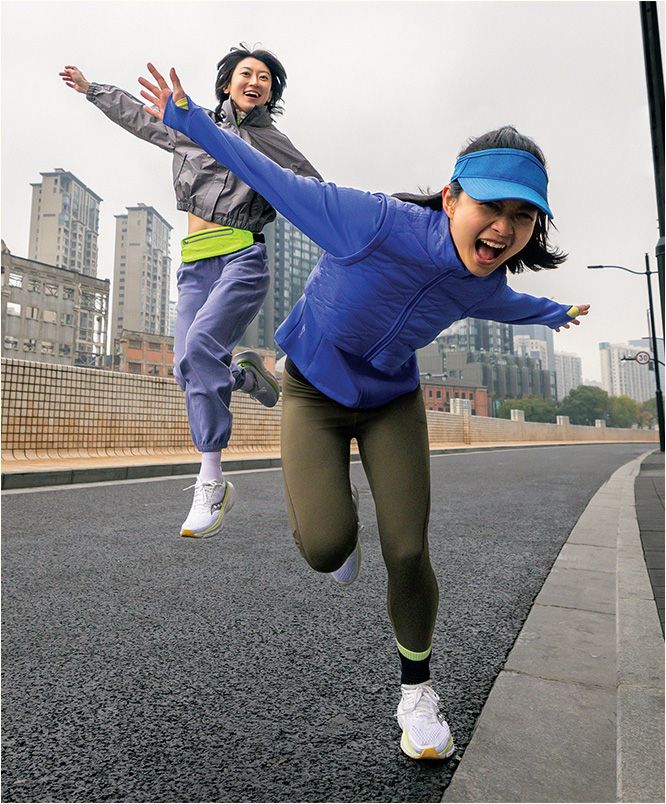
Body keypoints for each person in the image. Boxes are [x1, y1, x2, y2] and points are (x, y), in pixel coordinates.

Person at [142, 66, 589, 760]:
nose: (504, 229)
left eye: (523, 217)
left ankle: (417, 693)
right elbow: (275, 178)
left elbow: (507, 304)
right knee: (325, 548)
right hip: (314, 395)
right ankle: (335, 518)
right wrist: (194, 122)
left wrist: (553, 311)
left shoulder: (483, 280)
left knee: (408, 549)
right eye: (492, 208)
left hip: (391, 403)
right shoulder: (371, 221)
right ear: (451, 197)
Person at [60, 47, 322, 539]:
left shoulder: (274, 142)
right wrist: (93, 89)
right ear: (228, 83)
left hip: (242, 257)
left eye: (264, 78)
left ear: (271, 92)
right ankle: (246, 379)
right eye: (247, 73)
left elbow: (316, 190)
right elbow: (141, 119)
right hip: (195, 262)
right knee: (188, 362)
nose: (255, 81)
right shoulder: (192, 125)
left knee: (200, 346)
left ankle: (211, 480)